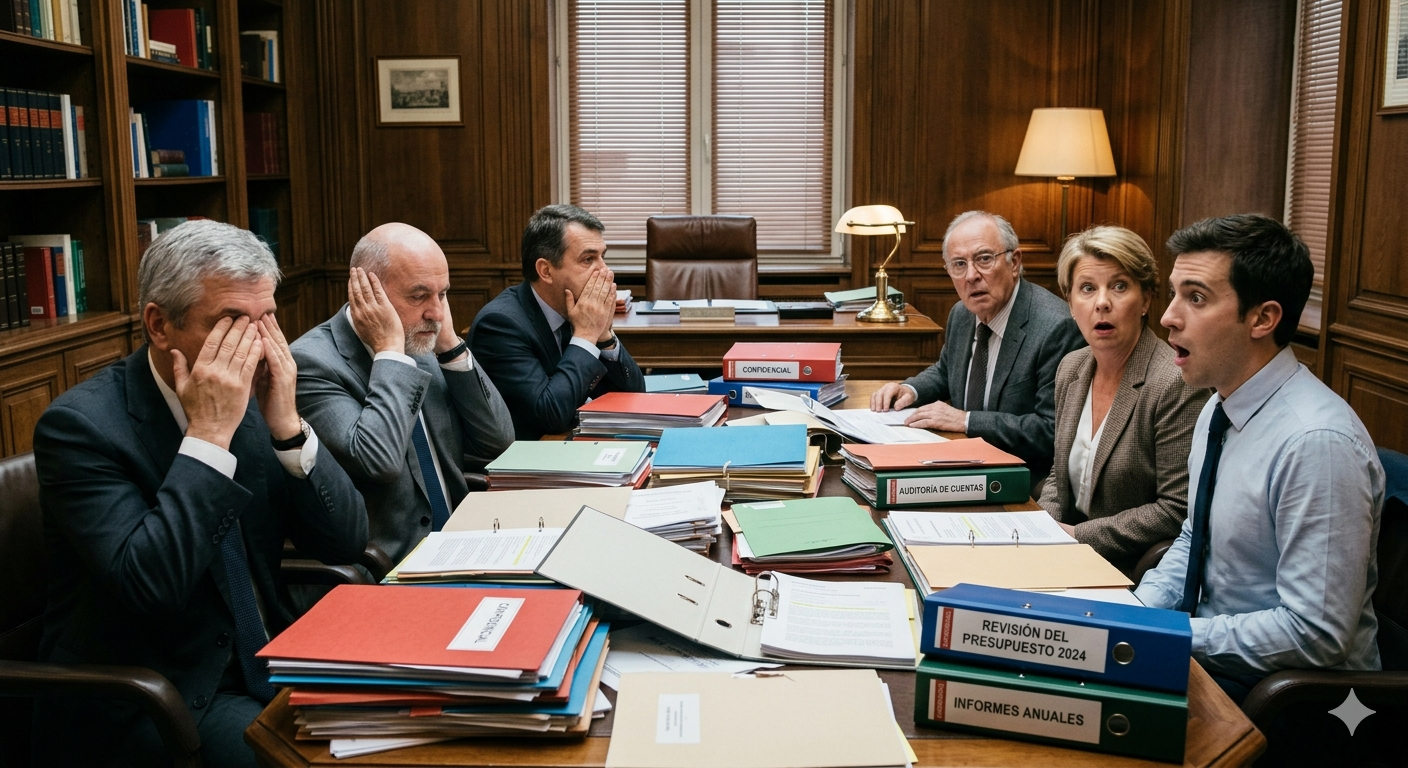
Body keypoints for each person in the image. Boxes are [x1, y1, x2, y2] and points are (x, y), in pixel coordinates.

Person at [30, 221, 367, 767]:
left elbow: (345, 541)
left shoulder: (256, 403)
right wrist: (209, 435)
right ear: (159, 325)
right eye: (230, 323)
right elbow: (151, 585)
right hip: (160, 694)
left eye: (266, 320)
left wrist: (288, 427)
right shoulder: (80, 428)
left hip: (274, 656)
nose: (255, 346)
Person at [1134, 214, 1383, 702]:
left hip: (1300, 703)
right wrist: (1136, 616)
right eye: (1174, 293)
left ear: (1263, 319)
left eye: (1196, 298)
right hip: (1218, 660)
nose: (1168, 317)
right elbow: (1194, 539)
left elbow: (1315, 634)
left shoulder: (1316, 442)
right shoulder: (1218, 406)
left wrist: (1172, 636)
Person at [291, 223, 515, 567]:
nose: (436, 313)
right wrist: (390, 353)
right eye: (419, 296)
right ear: (365, 292)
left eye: (442, 294)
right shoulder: (312, 363)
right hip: (390, 565)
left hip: (461, 542)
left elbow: (497, 442)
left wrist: (451, 346)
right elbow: (378, 462)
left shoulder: (424, 342)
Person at [1036, 226, 1210, 574]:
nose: (1102, 302)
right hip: (1060, 553)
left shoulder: (1173, 382)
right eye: (1088, 288)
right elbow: (1058, 473)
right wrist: (1042, 530)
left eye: (1119, 286)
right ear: (1070, 304)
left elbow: (1176, 508)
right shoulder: (1071, 368)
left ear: (1145, 300)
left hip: (1127, 568)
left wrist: (1077, 537)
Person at [870, 210, 1085, 484]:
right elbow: (946, 371)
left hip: (1019, 478)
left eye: (984, 259)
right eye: (959, 264)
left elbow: (1050, 431)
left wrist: (966, 421)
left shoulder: (1056, 328)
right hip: (959, 463)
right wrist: (910, 390)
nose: (971, 275)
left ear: (1014, 262)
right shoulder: (961, 313)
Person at [470, 204, 644, 439]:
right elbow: (550, 415)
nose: (605, 271)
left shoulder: (575, 309)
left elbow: (633, 397)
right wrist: (586, 335)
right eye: (588, 259)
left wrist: (603, 336)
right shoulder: (499, 325)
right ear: (546, 271)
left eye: (603, 257)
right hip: (528, 455)